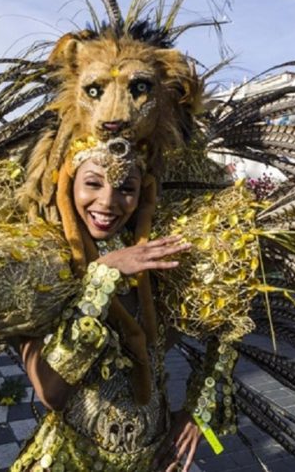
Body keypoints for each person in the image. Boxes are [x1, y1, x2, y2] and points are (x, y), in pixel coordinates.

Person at [11, 151, 203, 471]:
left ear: (144, 192)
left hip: (154, 460)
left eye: (126, 188)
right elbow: (51, 391)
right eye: (92, 183)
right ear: (68, 184)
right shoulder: (43, 268)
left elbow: (225, 323)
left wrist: (200, 408)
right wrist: (101, 277)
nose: (108, 201)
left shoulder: (158, 257)